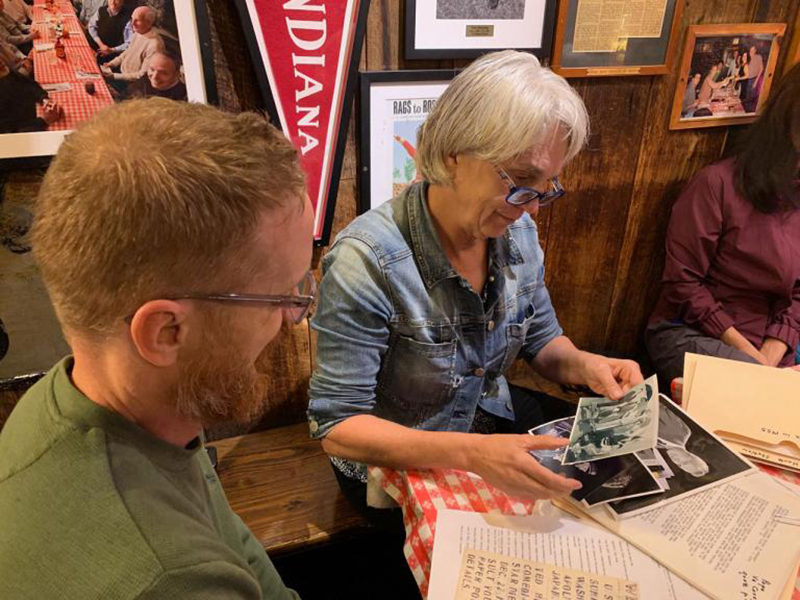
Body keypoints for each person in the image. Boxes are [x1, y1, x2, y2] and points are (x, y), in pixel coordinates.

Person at [307, 51, 643, 518]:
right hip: (394, 460)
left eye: (547, 186)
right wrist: (472, 454)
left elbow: (543, 341)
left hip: (488, 421)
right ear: (453, 154)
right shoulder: (366, 260)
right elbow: (338, 427)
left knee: (614, 495)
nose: (533, 207)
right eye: (521, 180)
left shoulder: (515, 227)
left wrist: (588, 366)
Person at [0, 98, 311, 599]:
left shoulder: (79, 400)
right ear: (166, 333)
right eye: (281, 298)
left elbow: (224, 527)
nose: (296, 320)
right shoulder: (171, 580)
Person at [646, 63, 800, 385]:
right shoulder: (717, 184)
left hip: (772, 341)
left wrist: (772, 354)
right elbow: (683, 285)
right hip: (693, 332)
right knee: (756, 391)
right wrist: (755, 362)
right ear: (788, 115)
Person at [101, 5, 164, 89]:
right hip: (122, 74)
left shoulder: (154, 45)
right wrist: (112, 63)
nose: (132, 23)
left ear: (149, 23)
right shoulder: (138, 32)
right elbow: (127, 52)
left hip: (132, 85)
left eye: (137, 20)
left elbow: (142, 75)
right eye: (132, 18)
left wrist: (114, 76)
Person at [0, 59, 62, 133]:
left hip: (33, 114)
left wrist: (43, 99)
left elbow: (29, 84)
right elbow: (9, 131)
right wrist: (44, 121)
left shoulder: (6, 73)